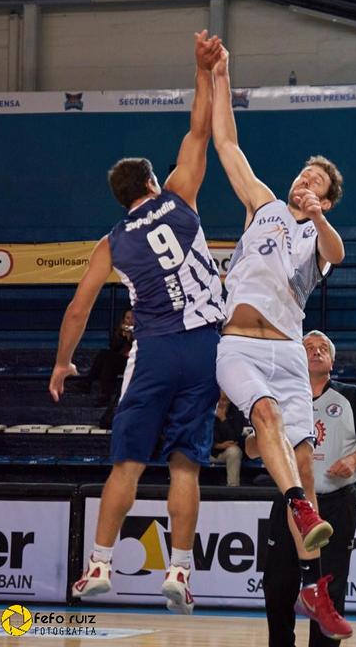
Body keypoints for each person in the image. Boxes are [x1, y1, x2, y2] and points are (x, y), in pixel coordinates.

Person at [49, 30, 225, 615]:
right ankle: (179, 572)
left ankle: (100, 564)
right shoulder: (180, 195)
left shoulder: (111, 242)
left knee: (126, 462)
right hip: (204, 347)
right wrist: (202, 69)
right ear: (152, 182)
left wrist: (62, 362)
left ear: (121, 198)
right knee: (185, 464)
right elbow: (199, 130)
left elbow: (78, 308)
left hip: (154, 350)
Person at [211, 47, 348, 634]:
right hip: (240, 345)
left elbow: (338, 251)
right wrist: (221, 77)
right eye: (303, 175)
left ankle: (314, 586)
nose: (304, 181)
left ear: (327, 198)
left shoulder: (319, 236)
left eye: (316, 182)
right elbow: (226, 144)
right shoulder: (264, 204)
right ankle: (295, 505)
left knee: (305, 465)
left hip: (289, 351)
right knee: (264, 415)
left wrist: (318, 217)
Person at [260, 330, 356, 646]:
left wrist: (354, 459)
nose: (316, 351)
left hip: (336, 504)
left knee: (329, 588)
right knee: (277, 585)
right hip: (292, 503)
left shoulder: (352, 396)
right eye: (309, 347)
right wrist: (256, 441)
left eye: (322, 348)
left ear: (332, 361)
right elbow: (253, 445)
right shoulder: (280, 398)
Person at [82, 309, 134, 406]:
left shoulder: (141, 331)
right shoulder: (119, 332)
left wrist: (131, 337)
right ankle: (90, 384)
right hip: (120, 361)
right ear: (123, 320)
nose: (130, 321)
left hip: (134, 362)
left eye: (133, 318)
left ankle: (91, 386)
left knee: (109, 359)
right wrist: (122, 337)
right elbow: (113, 347)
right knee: (105, 356)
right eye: (128, 318)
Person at [210, 391, 245, 487]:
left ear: (229, 400)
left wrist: (223, 419)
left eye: (224, 400)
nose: (221, 403)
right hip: (206, 452)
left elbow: (235, 438)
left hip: (225, 452)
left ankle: (233, 487)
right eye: (218, 399)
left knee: (235, 451)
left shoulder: (237, 412)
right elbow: (200, 435)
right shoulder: (206, 409)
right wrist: (217, 445)